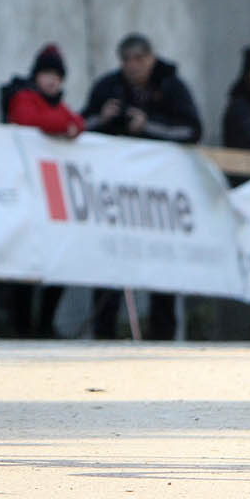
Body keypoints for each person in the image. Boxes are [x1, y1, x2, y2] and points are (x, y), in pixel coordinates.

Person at [81, 34, 202, 339]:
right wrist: (103, 118)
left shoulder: (171, 86)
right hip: (115, 198)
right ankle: (104, 336)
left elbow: (191, 130)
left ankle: (163, 337)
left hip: (159, 199)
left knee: (161, 267)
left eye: (139, 58)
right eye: (127, 60)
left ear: (151, 58)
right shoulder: (107, 87)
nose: (133, 66)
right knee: (109, 264)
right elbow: (80, 127)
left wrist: (147, 126)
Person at [0, 43, 82, 338]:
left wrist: (67, 123)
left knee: (59, 259)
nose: (52, 80)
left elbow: (77, 122)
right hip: (22, 193)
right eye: (46, 73)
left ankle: (44, 323)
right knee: (22, 263)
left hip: (49, 197)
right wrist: (63, 124)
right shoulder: (24, 96)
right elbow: (29, 120)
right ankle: (20, 326)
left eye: (57, 75)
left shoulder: (57, 104)